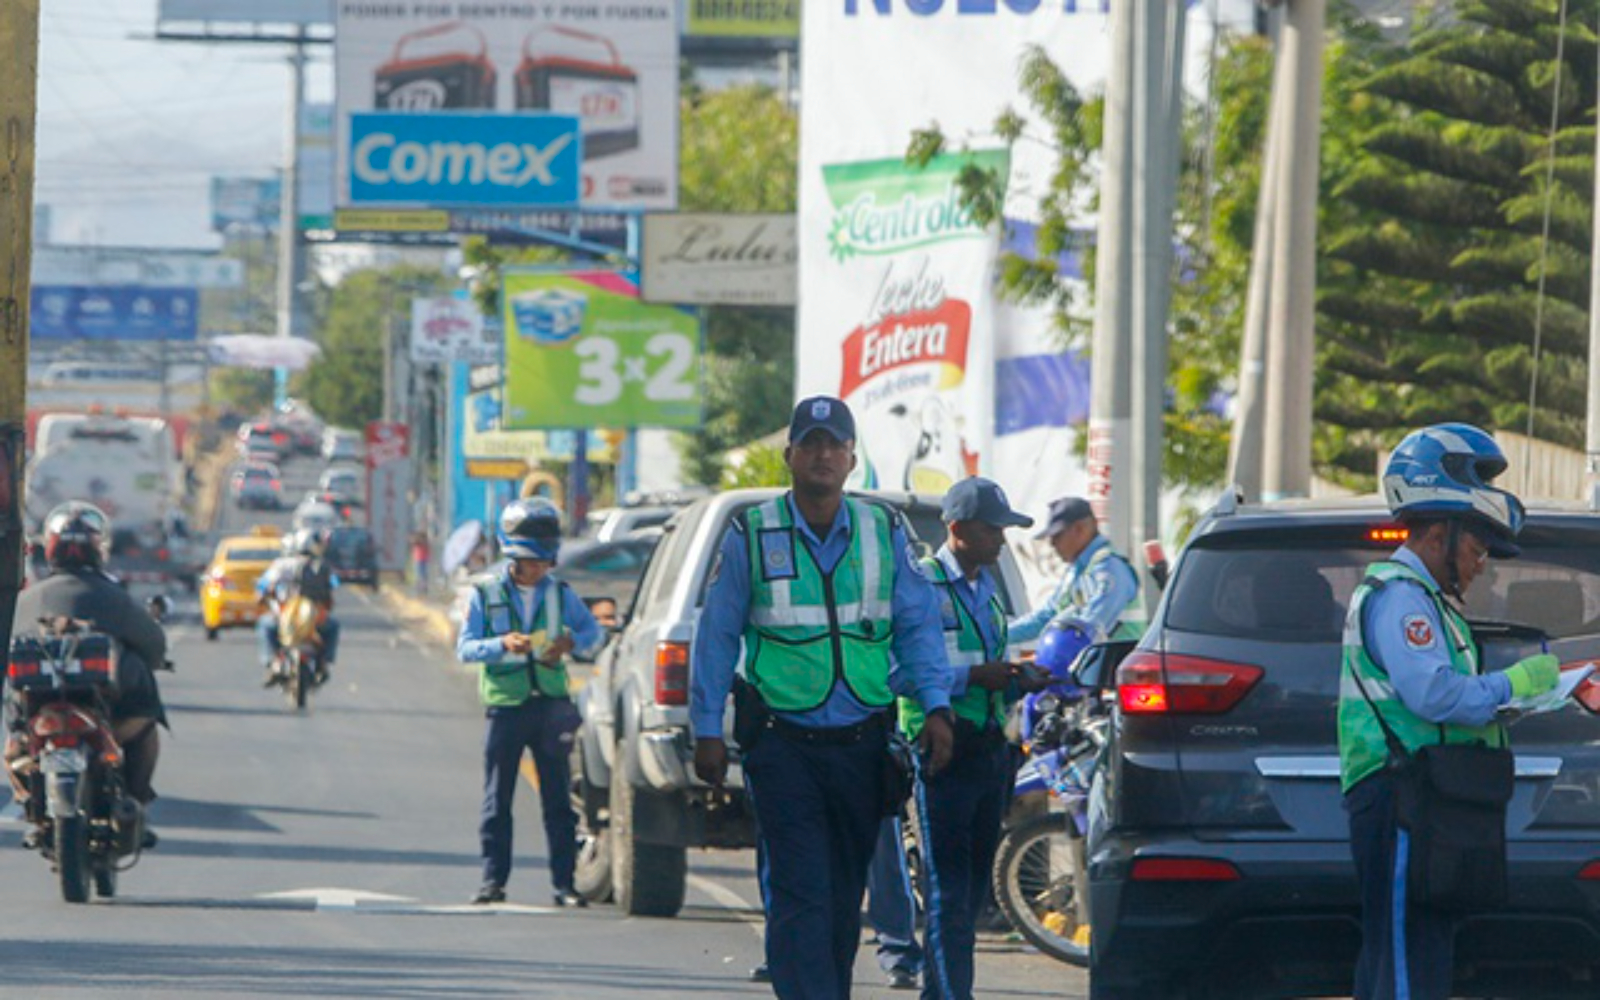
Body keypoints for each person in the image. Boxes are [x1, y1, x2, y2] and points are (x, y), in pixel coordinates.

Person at [692, 395, 955, 1000]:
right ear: (788, 456)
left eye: (834, 443)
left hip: (863, 743)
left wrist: (936, 707)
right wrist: (707, 726)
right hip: (783, 745)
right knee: (800, 889)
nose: (822, 454)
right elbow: (716, 637)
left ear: (851, 458)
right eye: (810, 443)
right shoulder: (752, 533)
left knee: (841, 897)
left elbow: (918, 627)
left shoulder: (882, 529)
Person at [1340, 423, 1560, 1000]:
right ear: (1438, 533)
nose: (1483, 563)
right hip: (1400, 796)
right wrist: (1512, 681)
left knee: (1416, 951)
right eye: (1477, 546)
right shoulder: (1401, 598)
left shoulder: (1429, 603)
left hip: (1427, 795)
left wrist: (1514, 700)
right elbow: (1432, 695)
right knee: (1407, 962)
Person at [901, 477, 1050, 1000]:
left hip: (988, 750)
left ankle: (939, 993)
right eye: (992, 530)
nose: (1001, 541)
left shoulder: (988, 590)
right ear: (958, 528)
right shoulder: (921, 585)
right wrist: (972, 677)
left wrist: (1014, 678)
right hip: (943, 749)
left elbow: (987, 662)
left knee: (969, 892)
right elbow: (900, 671)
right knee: (947, 891)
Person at [457, 497, 602, 907]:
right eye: (529, 561)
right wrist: (501, 644)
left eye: (544, 561)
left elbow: (594, 634)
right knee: (497, 798)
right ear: (511, 554)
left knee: (558, 801)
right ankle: (492, 881)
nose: (537, 569)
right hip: (506, 706)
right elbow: (465, 648)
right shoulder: (484, 594)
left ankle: (565, 885)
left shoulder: (560, 594)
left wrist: (572, 643)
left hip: (552, 707)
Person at [8, 502, 167, 841]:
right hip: (70, 727)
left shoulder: (26, 600)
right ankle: (134, 804)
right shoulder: (115, 597)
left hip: (46, 728)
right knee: (145, 725)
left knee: (14, 742)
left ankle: (31, 807)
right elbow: (153, 646)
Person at [1008, 496, 1141, 644]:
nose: (1052, 544)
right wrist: (999, 636)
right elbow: (1046, 616)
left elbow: (1090, 627)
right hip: (1097, 663)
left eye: (1057, 536)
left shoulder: (1109, 568)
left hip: (1116, 663)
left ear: (1080, 529)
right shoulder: (1078, 570)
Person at [255, 528, 341, 687]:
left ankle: (272, 663)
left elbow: (263, 585)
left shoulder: (281, 565)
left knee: (266, 625)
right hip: (315, 618)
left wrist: (262, 595)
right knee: (333, 626)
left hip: (286, 616)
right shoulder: (322, 566)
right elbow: (335, 584)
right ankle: (324, 663)